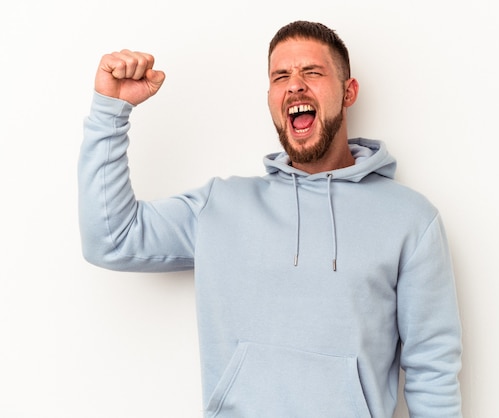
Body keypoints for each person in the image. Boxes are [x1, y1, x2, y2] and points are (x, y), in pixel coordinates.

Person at [78, 20, 462, 418]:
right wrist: (111, 110)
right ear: (271, 97)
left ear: (349, 92)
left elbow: (432, 372)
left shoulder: (411, 221)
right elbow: (111, 238)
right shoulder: (221, 206)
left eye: (312, 72)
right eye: (281, 76)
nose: (295, 84)